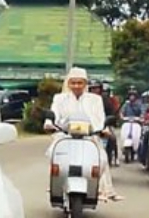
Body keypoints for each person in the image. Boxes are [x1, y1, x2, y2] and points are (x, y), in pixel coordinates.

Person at [44, 68, 124, 202]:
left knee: (102, 159)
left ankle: (96, 188)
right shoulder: (59, 98)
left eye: (80, 83)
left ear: (85, 84)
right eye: (73, 83)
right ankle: (57, 186)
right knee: (53, 154)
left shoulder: (95, 100)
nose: (76, 86)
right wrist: (49, 124)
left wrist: (102, 129)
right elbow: (54, 114)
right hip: (65, 136)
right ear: (68, 84)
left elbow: (100, 118)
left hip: (89, 137)